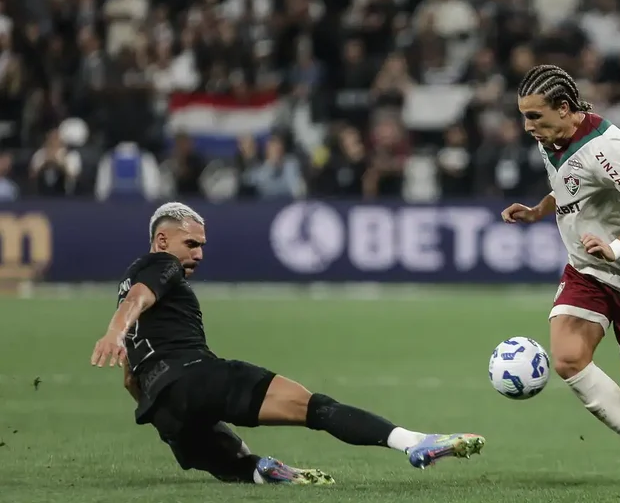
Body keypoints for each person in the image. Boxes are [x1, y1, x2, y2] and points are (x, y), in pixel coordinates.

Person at [90, 202, 485, 485]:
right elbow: (136, 300)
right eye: (191, 244)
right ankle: (413, 442)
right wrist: (114, 330)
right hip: (197, 377)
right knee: (317, 408)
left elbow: (130, 379)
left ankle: (266, 472)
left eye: (203, 245)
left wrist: (163, 413)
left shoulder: (131, 278)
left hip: (161, 406)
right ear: (162, 240)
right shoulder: (161, 266)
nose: (199, 254)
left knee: (236, 463)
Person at [501, 65, 620, 491]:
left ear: (565, 108)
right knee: (566, 358)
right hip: (587, 269)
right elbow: (568, 187)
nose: (528, 127)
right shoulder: (554, 137)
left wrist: (617, 248)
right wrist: (539, 211)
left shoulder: (607, 148)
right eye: (523, 117)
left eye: (535, 117)